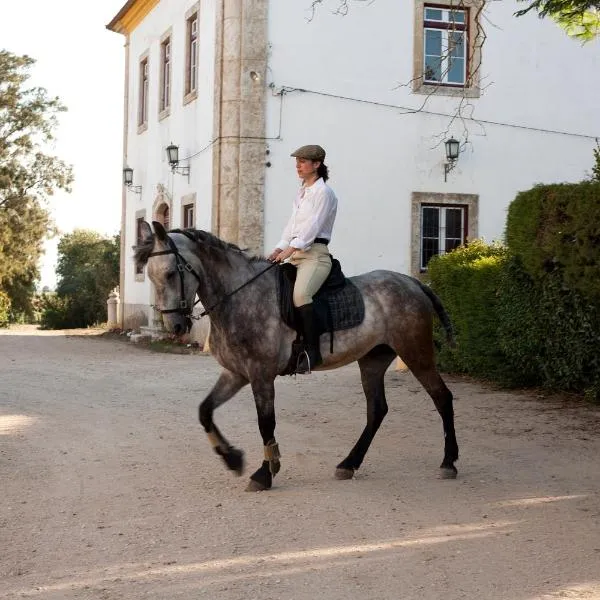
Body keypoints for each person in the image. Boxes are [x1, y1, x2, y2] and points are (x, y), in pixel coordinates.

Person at [268, 144, 338, 373]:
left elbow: (313, 226)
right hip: (296, 254)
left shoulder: (324, 193)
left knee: (301, 294)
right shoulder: (302, 193)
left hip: (314, 255)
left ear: (316, 164)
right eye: (297, 161)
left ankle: (312, 351)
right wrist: (279, 248)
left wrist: (291, 249)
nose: (298, 166)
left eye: (302, 161)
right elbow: (292, 226)